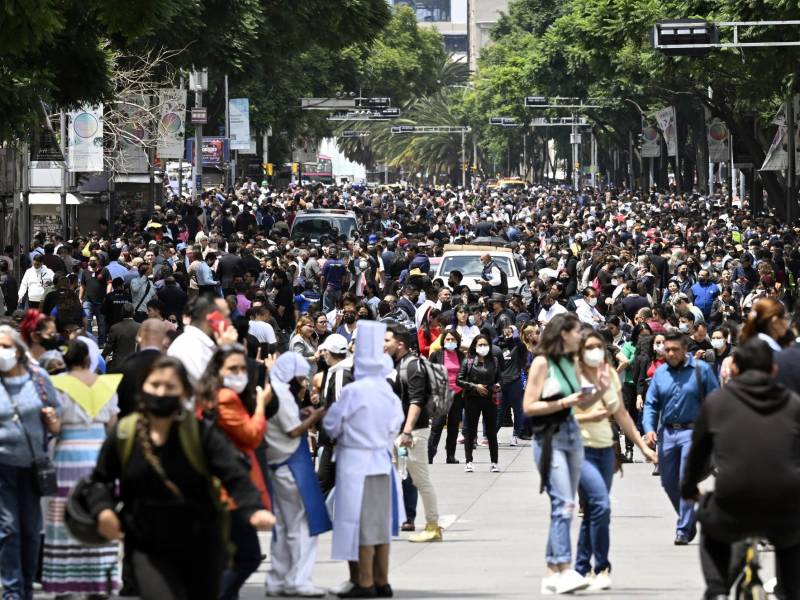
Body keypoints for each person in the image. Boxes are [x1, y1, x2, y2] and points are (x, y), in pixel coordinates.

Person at [85, 357, 275, 600]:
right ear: (142, 387)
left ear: (184, 392)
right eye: (155, 385)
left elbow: (234, 474)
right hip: (147, 546)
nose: (161, 392)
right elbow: (100, 480)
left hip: (201, 544)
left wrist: (253, 509)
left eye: (170, 386)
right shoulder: (125, 433)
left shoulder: (200, 433)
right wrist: (103, 510)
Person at [682, 338, 800, 600]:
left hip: (734, 500)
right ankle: (790, 592)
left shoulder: (717, 403)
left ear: (734, 370)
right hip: (785, 504)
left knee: (709, 520)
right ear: (774, 371)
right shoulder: (793, 404)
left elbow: (697, 454)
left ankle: (717, 590)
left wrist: (689, 487)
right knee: (792, 541)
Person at [322, 321, 405, 599]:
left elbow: (332, 425)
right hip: (382, 462)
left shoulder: (353, 391)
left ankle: (366, 582)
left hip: (356, 465)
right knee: (380, 527)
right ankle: (383, 580)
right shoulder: (388, 393)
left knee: (361, 527)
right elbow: (396, 425)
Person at [573, 330, 657, 591]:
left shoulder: (608, 375)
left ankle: (581, 568)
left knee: (594, 511)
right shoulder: (569, 376)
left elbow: (621, 414)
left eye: (600, 347)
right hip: (579, 451)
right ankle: (601, 567)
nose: (596, 352)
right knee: (600, 505)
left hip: (606, 450)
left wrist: (643, 446)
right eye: (590, 348)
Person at [196, 345, 276, 600]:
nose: (239, 373)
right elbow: (251, 435)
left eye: (242, 368)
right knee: (248, 557)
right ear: (217, 370)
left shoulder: (212, 395)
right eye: (233, 368)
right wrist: (261, 405)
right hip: (231, 489)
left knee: (227, 559)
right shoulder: (225, 398)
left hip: (221, 487)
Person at [522, 313, 593, 595]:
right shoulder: (542, 362)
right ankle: (564, 568)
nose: (581, 337)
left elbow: (581, 401)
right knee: (565, 503)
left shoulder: (573, 362)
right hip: (549, 439)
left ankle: (552, 572)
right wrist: (566, 401)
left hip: (573, 434)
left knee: (562, 505)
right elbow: (528, 406)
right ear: (563, 333)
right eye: (577, 332)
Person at [43, 339, 121, 596]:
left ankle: (65, 584)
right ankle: (99, 581)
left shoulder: (56, 385)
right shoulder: (107, 385)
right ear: (90, 359)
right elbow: (113, 425)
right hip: (98, 454)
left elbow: (54, 425)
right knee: (97, 513)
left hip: (67, 452)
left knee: (65, 516)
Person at [0, 324, 61, 600]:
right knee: (9, 528)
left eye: (5, 346)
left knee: (30, 529)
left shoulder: (37, 377)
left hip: (34, 464)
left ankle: (25, 588)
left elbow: (57, 418)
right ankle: (13, 591)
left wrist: (52, 420)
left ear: (17, 348)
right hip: (3, 467)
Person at [264, 352, 330, 598]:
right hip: (291, 464)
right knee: (303, 526)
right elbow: (293, 431)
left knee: (282, 526)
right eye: (300, 378)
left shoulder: (274, 389)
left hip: (278, 464)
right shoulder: (282, 394)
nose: (302, 383)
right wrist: (313, 417)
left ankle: (278, 579)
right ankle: (298, 580)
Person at [643, 330, 718, 545]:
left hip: (693, 433)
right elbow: (651, 404)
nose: (670, 353)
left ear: (685, 350)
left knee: (686, 478)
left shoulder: (701, 370)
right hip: (667, 433)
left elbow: (715, 401)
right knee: (668, 482)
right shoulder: (660, 373)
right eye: (667, 349)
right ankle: (690, 517)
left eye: (675, 349)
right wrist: (649, 428)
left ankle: (683, 529)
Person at [385, 322, 442, 543]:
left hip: (413, 435)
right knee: (401, 472)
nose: (383, 344)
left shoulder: (413, 366)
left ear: (400, 344)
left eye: (387, 340)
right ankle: (400, 517)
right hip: (400, 435)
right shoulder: (395, 365)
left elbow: (417, 400)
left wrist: (407, 432)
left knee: (421, 480)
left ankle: (433, 525)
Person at [167, 296, 238, 383]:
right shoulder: (190, 346)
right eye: (225, 317)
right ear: (211, 318)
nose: (229, 322)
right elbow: (218, 385)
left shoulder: (203, 343)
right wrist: (227, 350)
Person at [457, 334, 501, 472]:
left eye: (485, 344)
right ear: (475, 346)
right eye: (480, 345)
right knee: (470, 432)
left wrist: (498, 385)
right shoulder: (468, 361)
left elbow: (500, 378)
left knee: (491, 432)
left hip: (489, 399)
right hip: (472, 399)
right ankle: (469, 461)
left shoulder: (494, 361)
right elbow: (459, 380)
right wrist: (475, 386)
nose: (483, 347)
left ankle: (494, 462)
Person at [113, 319, 168, 417]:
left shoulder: (124, 367)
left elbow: (117, 406)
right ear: (165, 341)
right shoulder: (173, 367)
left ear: (138, 339)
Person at [428, 329, 465, 464]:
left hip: (457, 394)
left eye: (453, 340)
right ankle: (429, 455)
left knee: (454, 426)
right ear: (443, 341)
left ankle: (450, 456)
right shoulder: (437, 355)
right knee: (437, 425)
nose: (450, 342)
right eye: (448, 339)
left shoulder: (461, 356)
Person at [495, 324, 528, 446]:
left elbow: (518, 341)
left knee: (517, 411)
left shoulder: (519, 347)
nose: (507, 334)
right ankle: (492, 435)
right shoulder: (500, 348)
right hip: (502, 384)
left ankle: (515, 436)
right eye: (505, 332)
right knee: (500, 411)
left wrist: (514, 331)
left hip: (515, 382)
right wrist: (501, 336)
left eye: (510, 332)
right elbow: (491, 344)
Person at [102, 302, 141, 371]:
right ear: (133, 313)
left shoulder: (115, 328)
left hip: (118, 364)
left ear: (122, 313)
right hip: (136, 363)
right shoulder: (140, 327)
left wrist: (102, 356)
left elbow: (109, 347)